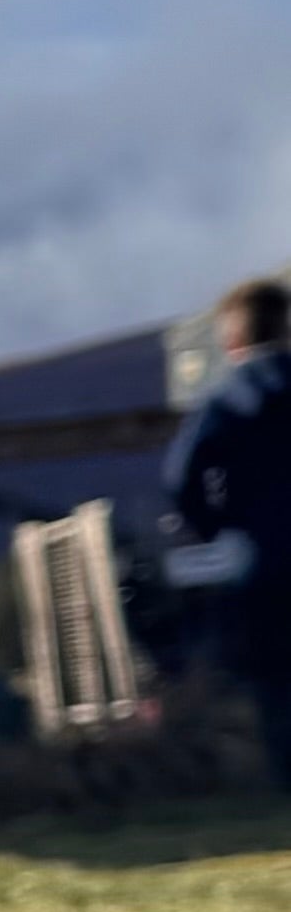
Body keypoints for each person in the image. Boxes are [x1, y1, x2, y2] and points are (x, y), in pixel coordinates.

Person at [164, 276, 291, 787]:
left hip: (262, 560)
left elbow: (181, 478)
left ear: (231, 339)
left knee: (276, 681)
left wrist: (215, 527)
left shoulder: (226, 401)